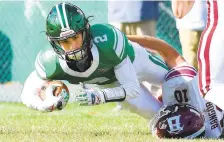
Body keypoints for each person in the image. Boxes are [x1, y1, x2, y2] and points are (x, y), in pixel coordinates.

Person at [21, 2, 183, 115]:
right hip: (112, 83)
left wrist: (100, 96)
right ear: (54, 43)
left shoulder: (106, 41)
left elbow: (132, 88)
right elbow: (27, 94)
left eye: (76, 37)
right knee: (161, 117)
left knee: (179, 82)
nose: (72, 46)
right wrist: (43, 105)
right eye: (64, 41)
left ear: (86, 32)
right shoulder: (50, 61)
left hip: (133, 61)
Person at [128, 35, 224, 138]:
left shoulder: (186, 85)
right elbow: (164, 49)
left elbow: (163, 49)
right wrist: (125, 38)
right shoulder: (185, 81)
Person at [171, 0, 224, 111]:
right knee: (191, 65)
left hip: (205, 22)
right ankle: (194, 103)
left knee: (208, 80)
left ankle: (198, 105)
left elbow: (179, 10)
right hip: (193, 23)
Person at [175, 0, 207, 70]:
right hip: (197, 21)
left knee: (191, 57)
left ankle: (194, 79)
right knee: (195, 58)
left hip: (191, 22)